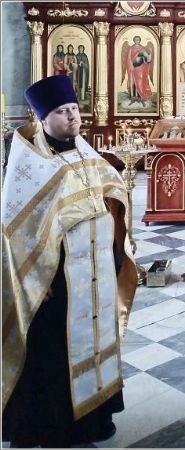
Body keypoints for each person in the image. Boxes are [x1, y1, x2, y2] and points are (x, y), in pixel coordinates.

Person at [1, 75, 137, 447]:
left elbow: (109, 190)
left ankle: (92, 422)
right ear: (43, 118)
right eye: (62, 111)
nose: (73, 117)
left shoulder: (84, 151)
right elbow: (14, 229)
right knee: (55, 353)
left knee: (94, 341)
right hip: (54, 279)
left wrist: (115, 241)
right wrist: (32, 279)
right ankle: (53, 427)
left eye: (74, 109)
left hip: (94, 270)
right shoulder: (30, 165)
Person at [124, 35, 153, 106]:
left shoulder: (142, 48)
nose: (137, 41)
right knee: (133, 82)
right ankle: (133, 98)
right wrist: (131, 65)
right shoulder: (131, 48)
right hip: (133, 68)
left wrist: (149, 57)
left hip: (141, 69)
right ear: (134, 40)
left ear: (140, 40)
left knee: (140, 82)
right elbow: (128, 58)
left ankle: (141, 97)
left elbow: (146, 59)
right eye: (136, 40)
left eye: (138, 40)